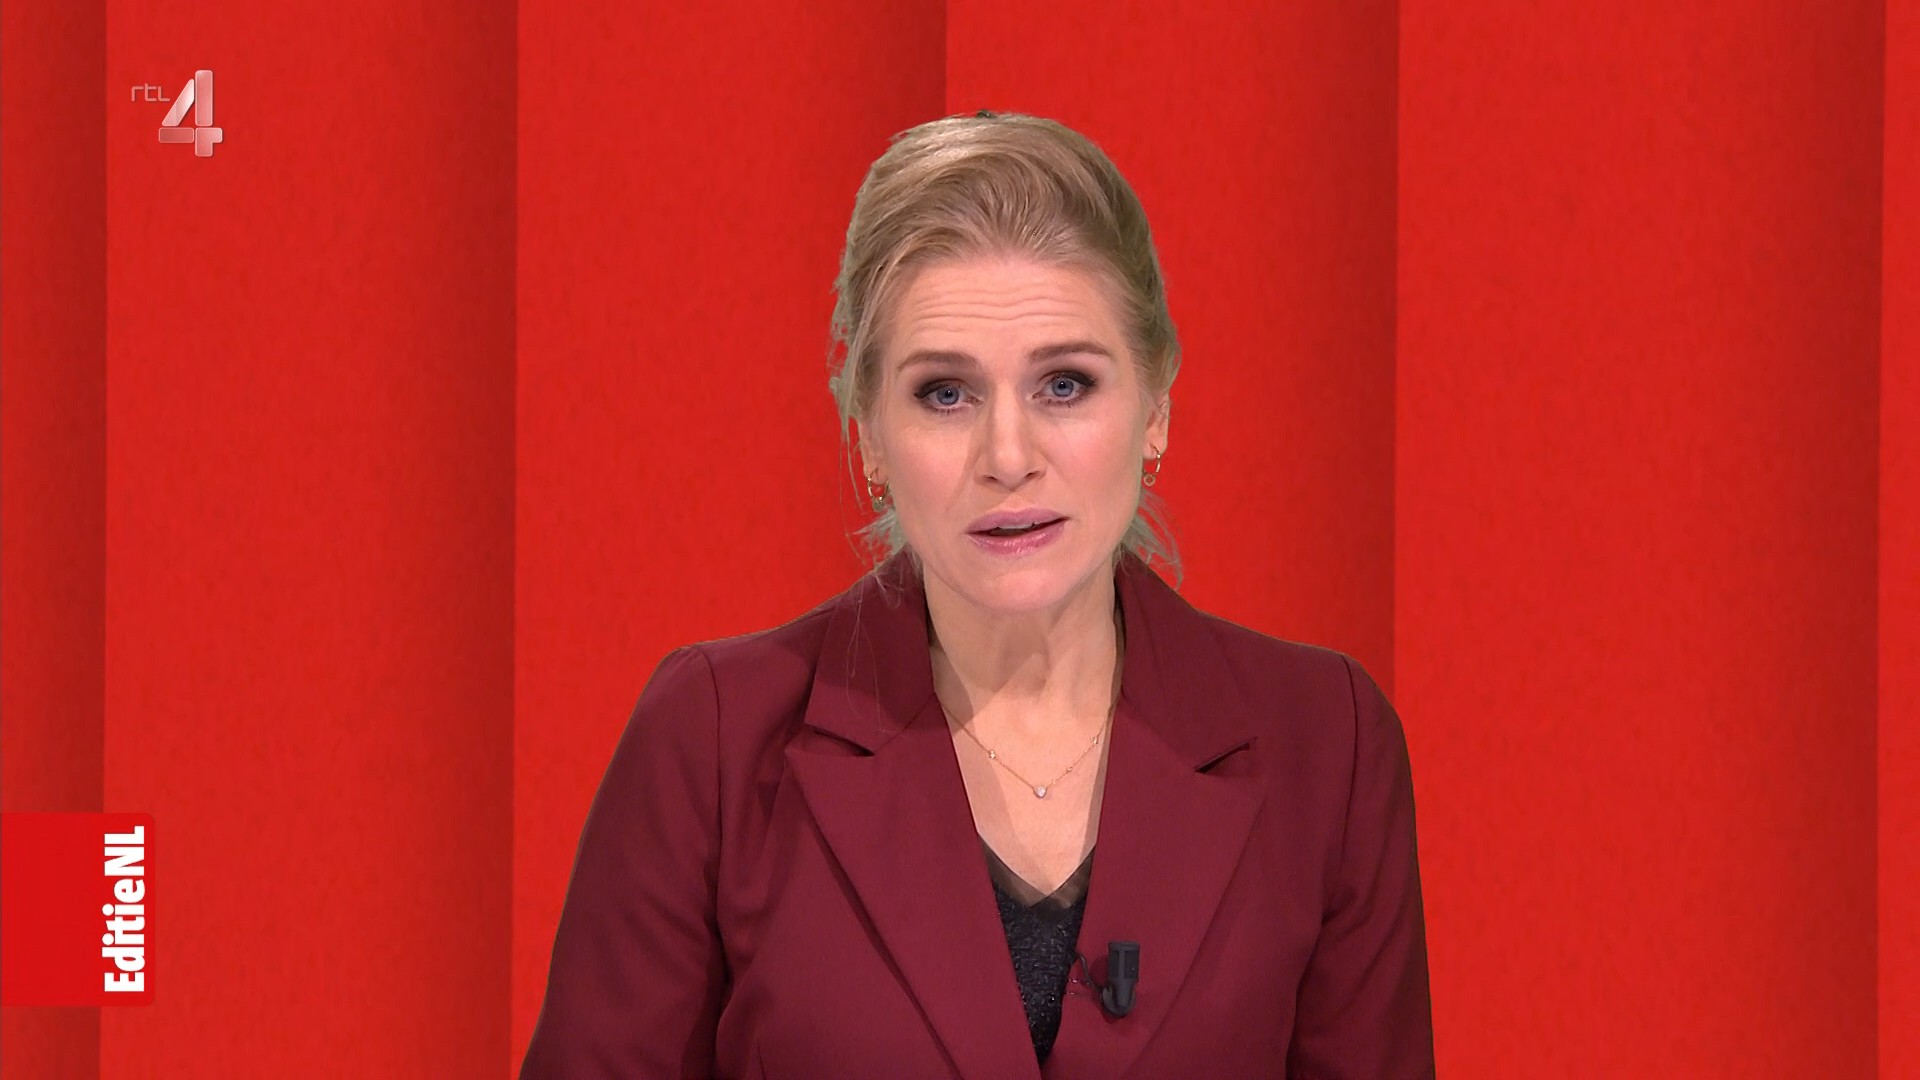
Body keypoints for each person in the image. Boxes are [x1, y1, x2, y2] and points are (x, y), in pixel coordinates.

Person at [519, 109, 1435, 1079]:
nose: (1007, 456)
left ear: (1155, 407)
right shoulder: (712, 739)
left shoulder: (1327, 744)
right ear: (869, 434)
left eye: (1065, 385)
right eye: (945, 394)